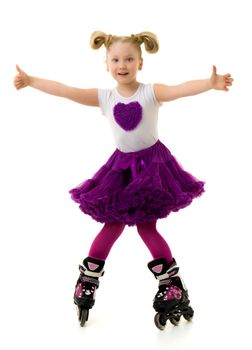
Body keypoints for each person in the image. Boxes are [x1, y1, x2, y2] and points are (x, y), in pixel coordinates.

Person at [14, 31, 233, 328]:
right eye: (116, 59)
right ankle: (87, 279)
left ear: (140, 63)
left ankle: (172, 284)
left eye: (129, 59)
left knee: (146, 227)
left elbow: (180, 89)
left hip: (153, 167)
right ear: (107, 64)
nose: (122, 64)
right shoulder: (105, 97)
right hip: (120, 170)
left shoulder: (150, 92)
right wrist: (32, 81)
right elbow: (66, 90)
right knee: (113, 224)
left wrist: (209, 84)